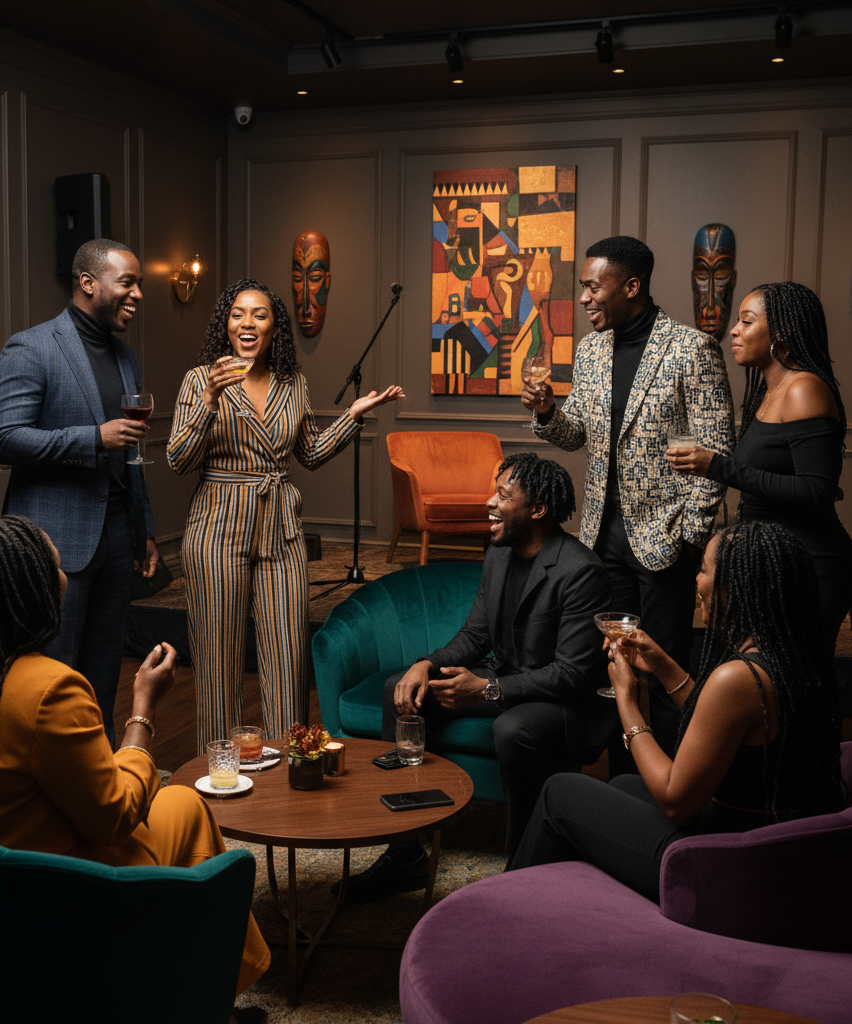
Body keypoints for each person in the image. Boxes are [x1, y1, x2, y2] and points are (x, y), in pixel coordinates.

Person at [0, 515, 270, 1012]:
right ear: (32, 594)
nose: (64, 573)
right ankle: (210, 994)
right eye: (55, 564)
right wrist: (142, 711)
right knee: (186, 804)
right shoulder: (49, 689)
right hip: (58, 893)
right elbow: (115, 819)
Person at [510, 520, 847, 902]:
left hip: (728, 865)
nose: (695, 581)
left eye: (703, 570)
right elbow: (720, 723)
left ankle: (510, 905)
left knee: (558, 792)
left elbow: (675, 801)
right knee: (623, 787)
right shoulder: (792, 660)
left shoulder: (737, 679)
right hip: (771, 842)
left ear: (735, 587)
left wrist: (627, 701)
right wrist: (663, 665)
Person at [342, 454, 614, 899]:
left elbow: (572, 674)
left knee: (513, 729)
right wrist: (424, 665)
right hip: (508, 677)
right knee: (399, 690)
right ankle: (406, 852)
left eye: (503, 496)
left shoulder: (581, 571)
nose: (489, 502)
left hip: (562, 700)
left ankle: (523, 863)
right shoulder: (499, 554)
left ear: (538, 509)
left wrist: (486, 688)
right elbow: (475, 635)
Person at [523, 235, 734, 770]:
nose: (585, 297)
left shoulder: (691, 349)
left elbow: (716, 450)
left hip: (664, 541)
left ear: (632, 286)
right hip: (601, 540)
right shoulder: (591, 350)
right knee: (614, 668)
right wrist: (548, 412)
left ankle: (672, 783)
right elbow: (575, 435)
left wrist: (689, 534)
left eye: (594, 287)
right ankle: (623, 781)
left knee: (661, 669)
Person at [168, 279, 404, 752]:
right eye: (237, 314)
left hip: (281, 530)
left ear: (274, 328)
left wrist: (353, 415)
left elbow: (310, 453)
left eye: (259, 315)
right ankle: (222, 773)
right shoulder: (200, 380)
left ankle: (291, 764)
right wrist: (209, 402)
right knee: (217, 661)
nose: (247, 323)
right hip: (217, 529)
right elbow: (179, 459)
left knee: (288, 655)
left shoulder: (293, 383)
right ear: (226, 325)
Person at [0, 238, 158, 748]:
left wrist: (144, 529)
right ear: (88, 282)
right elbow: (5, 439)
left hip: (116, 541)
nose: (138, 294)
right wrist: (93, 438)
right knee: (51, 678)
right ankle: (44, 780)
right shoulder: (32, 346)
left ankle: (100, 776)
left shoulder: (126, 357)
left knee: (102, 679)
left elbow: (130, 452)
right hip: (55, 545)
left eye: (139, 285)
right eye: (127, 283)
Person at [667, 281, 852, 650]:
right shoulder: (770, 392)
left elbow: (817, 490)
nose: (735, 331)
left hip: (809, 566)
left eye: (747, 322)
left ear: (782, 332)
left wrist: (717, 466)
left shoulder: (803, 389)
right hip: (773, 563)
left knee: (793, 678)